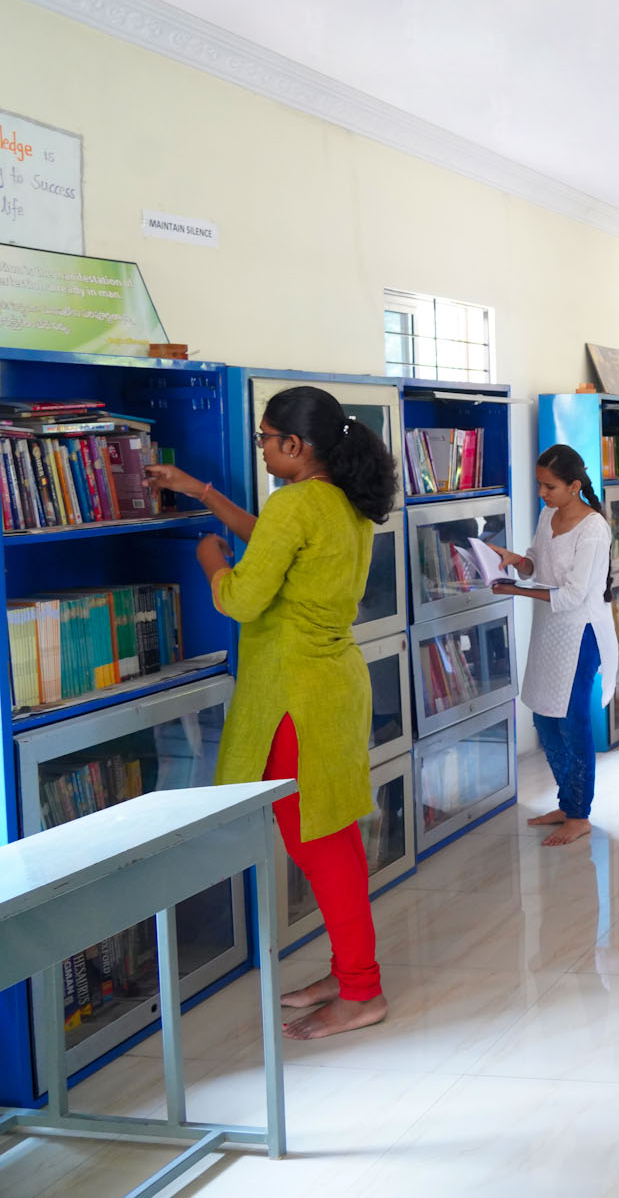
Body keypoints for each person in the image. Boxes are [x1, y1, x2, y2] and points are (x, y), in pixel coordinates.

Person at [143, 386, 395, 1038]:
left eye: (264, 439)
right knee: (335, 838)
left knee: (318, 846)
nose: (260, 449)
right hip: (333, 689)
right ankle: (350, 972)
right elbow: (276, 543)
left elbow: (243, 599)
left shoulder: (294, 503)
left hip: (295, 699)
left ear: (294, 444)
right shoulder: (340, 500)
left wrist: (211, 564)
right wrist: (200, 491)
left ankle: (362, 991)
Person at [492, 444, 618, 847]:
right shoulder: (548, 515)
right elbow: (535, 563)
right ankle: (568, 801)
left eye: (549, 486)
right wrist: (516, 561)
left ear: (574, 486)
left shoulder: (593, 528)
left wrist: (517, 591)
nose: (542, 493)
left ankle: (579, 814)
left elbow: (575, 595)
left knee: (572, 719)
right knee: (545, 717)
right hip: (549, 630)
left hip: (581, 631)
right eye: (539, 485)